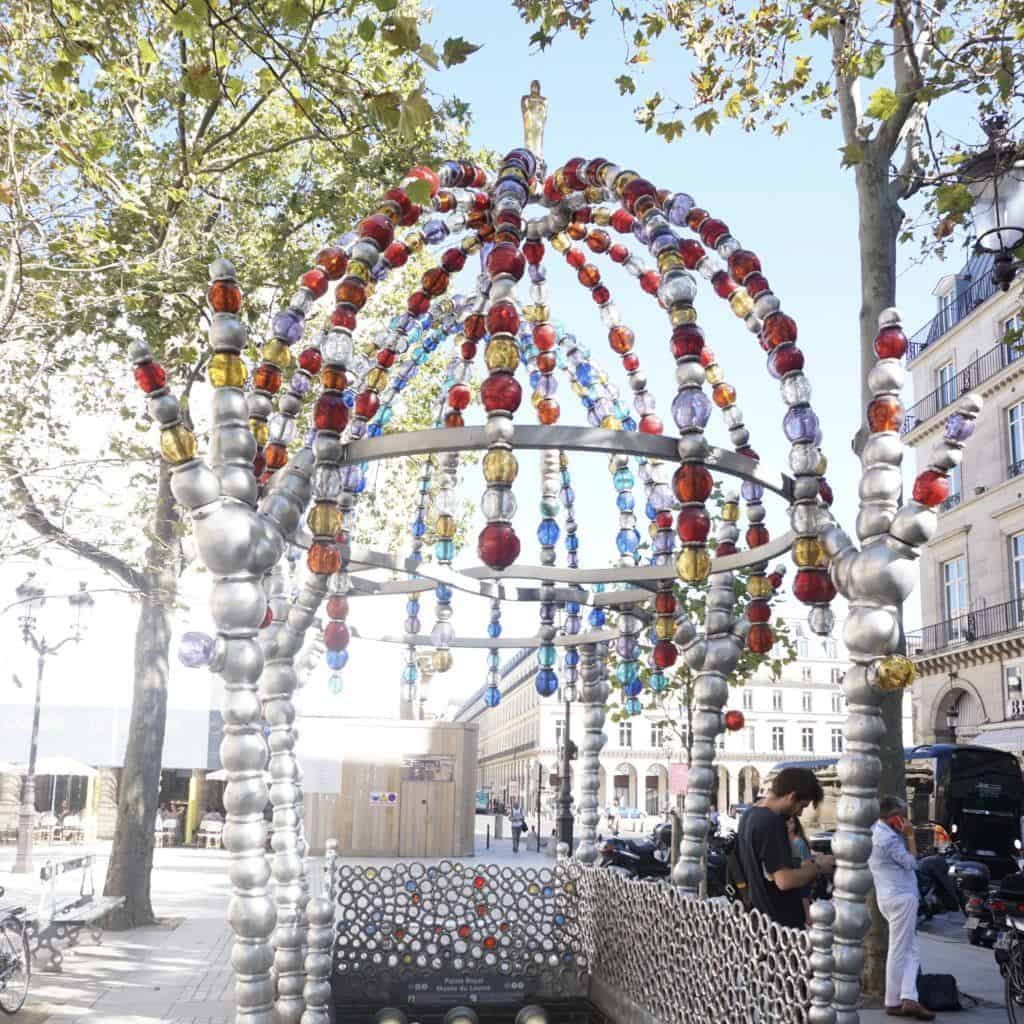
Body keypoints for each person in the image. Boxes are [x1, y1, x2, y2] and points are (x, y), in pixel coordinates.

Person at [736, 767, 835, 929]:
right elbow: (784, 880)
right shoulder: (771, 822)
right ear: (792, 796)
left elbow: (768, 866)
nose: (800, 814)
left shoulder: (750, 814)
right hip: (779, 925)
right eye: (802, 806)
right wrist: (819, 867)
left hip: (760, 920)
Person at [869, 796, 935, 1021]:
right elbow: (911, 862)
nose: (905, 819)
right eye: (901, 815)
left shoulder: (875, 832)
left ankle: (909, 997)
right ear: (892, 816)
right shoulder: (888, 838)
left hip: (891, 896)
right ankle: (894, 1000)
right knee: (899, 949)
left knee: (910, 949)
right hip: (900, 897)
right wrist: (909, 835)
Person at [787, 814, 813, 925]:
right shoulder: (786, 841)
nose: (788, 825)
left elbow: (804, 862)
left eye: (792, 822)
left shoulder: (799, 843)